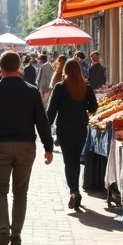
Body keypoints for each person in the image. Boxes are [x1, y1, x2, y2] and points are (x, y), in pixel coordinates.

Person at [0, 51, 54, 245]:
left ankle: (3, 231)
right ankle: (16, 234)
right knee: (21, 193)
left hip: (0, 145)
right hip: (26, 146)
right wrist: (48, 147)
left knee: (0, 191)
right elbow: (42, 121)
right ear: (19, 67)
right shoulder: (31, 91)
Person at [47, 59, 99, 210]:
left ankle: (74, 191)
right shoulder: (86, 87)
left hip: (64, 128)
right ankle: (76, 190)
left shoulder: (60, 87)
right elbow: (94, 106)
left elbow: (52, 111)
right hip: (80, 128)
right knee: (76, 160)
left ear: (65, 70)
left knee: (68, 161)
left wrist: (46, 129)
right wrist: (84, 107)